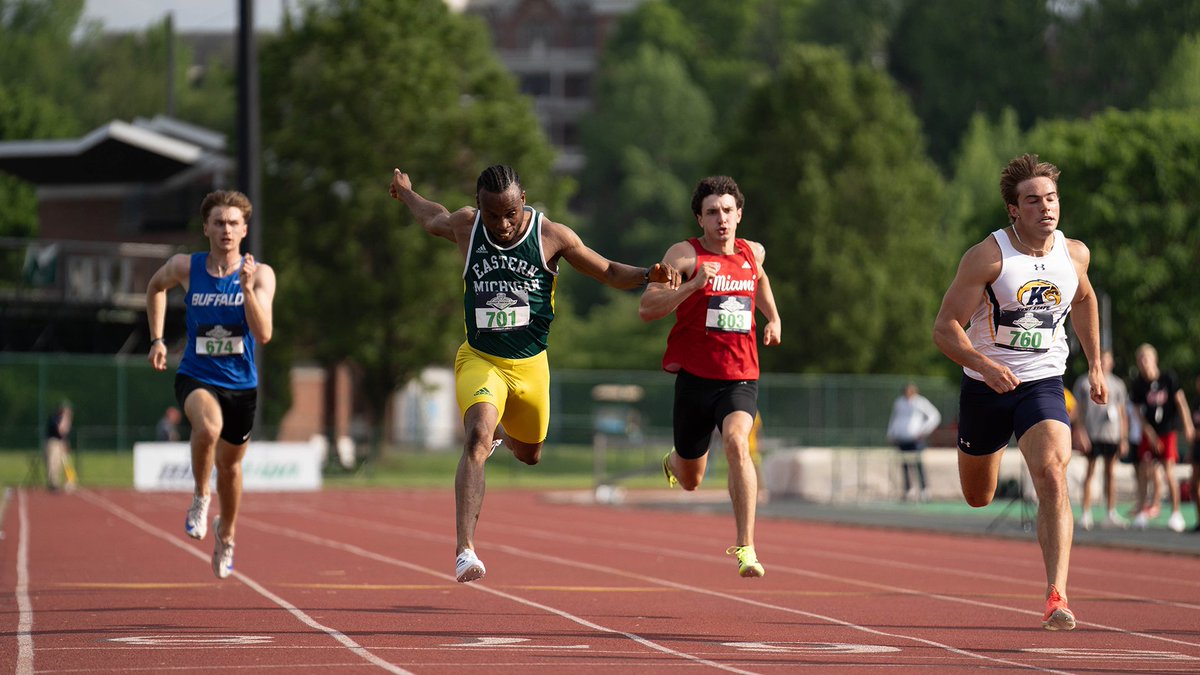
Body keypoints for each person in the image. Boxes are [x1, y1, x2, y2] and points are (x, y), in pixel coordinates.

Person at [388, 165, 680, 583]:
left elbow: (607, 271)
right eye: (492, 215)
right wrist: (406, 192)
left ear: (523, 200)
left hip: (531, 367)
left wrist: (648, 274)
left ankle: (501, 436)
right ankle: (465, 550)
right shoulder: (467, 227)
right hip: (481, 359)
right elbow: (432, 216)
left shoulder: (551, 236)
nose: (502, 224)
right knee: (475, 437)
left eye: (510, 213)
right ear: (478, 206)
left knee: (530, 455)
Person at [932, 154, 1105, 631]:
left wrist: (1095, 364)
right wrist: (984, 365)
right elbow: (944, 328)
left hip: (1043, 382)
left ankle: (1057, 594)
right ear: (1013, 209)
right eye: (1033, 201)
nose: (1045, 208)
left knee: (1052, 474)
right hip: (986, 387)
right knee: (978, 496)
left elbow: (1085, 298)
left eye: (1051, 198)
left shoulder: (1074, 254)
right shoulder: (988, 257)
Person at [638, 175, 782, 578]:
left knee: (737, 442)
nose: (722, 219)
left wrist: (773, 317)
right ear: (700, 219)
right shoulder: (684, 256)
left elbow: (760, 278)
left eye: (728, 211)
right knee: (691, 479)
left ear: (739, 214)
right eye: (712, 212)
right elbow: (647, 309)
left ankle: (746, 547)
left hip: (740, 378)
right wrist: (694, 286)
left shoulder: (753, 252)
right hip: (695, 380)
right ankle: (675, 460)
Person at [145, 190, 276, 580]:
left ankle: (227, 534)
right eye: (219, 222)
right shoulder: (186, 267)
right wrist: (157, 339)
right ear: (206, 228)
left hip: (241, 385)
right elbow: (155, 288)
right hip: (197, 375)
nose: (226, 230)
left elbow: (264, 333)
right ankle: (201, 497)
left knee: (231, 469)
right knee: (207, 427)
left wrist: (247, 289)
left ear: (244, 230)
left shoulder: (261, 274)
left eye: (233, 223)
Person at [1128, 343, 1193, 532]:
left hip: (1167, 431)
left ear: (1154, 359)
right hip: (1150, 432)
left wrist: (1187, 425)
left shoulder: (1168, 378)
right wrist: (1149, 433)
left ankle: (1176, 513)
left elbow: (1181, 402)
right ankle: (1141, 511)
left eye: (1146, 358)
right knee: (1144, 470)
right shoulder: (1138, 384)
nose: (1143, 363)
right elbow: (1138, 412)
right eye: (1140, 359)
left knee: (1168, 470)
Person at [1070, 350, 1129, 530]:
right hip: (1092, 433)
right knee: (1090, 472)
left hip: (1111, 434)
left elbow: (1122, 412)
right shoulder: (1084, 382)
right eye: (1102, 360)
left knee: (1111, 473)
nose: (1105, 363)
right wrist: (1080, 432)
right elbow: (1078, 410)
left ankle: (1111, 512)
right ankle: (1086, 513)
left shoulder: (1118, 384)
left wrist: (1123, 438)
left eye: (1108, 360)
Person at [886, 383, 941, 502]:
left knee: (918, 465)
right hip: (902, 438)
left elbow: (934, 416)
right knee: (905, 465)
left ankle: (924, 491)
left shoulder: (920, 402)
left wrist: (923, 431)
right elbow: (895, 418)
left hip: (915, 439)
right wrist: (891, 433)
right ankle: (908, 490)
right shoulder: (899, 402)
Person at [44, 400, 76, 492]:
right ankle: (54, 483)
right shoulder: (54, 418)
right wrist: (66, 418)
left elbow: (66, 433)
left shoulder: (67, 419)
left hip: (62, 442)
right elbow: (61, 430)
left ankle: (70, 482)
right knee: (54, 462)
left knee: (66, 462)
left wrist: (66, 444)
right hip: (54, 442)